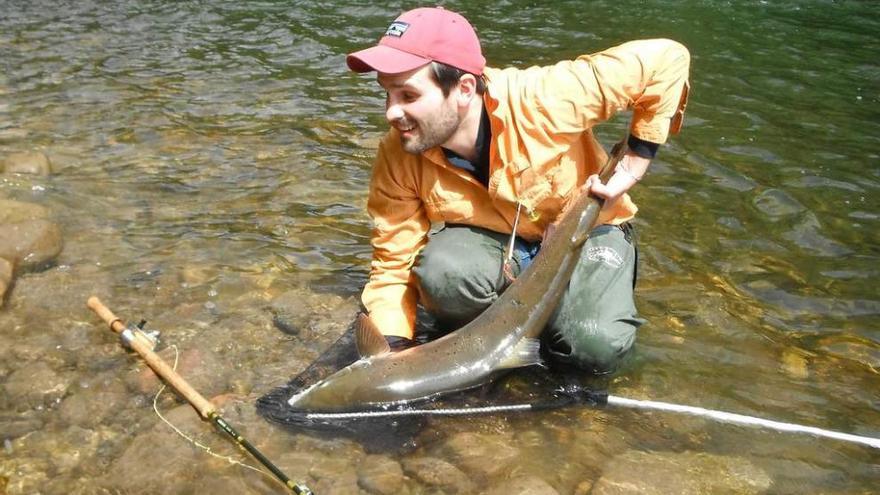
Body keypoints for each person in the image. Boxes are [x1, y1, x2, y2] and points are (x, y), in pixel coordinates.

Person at [346, 6, 690, 374]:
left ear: (464, 88)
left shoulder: (544, 97)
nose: (391, 113)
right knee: (441, 277)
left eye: (408, 96)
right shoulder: (398, 151)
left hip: (589, 232)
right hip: (497, 244)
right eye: (387, 95)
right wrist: (392, 353)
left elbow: (666, 59)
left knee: (593, 346)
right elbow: (393, 266)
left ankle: (560, 324)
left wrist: (636, 159)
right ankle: (508, 339)